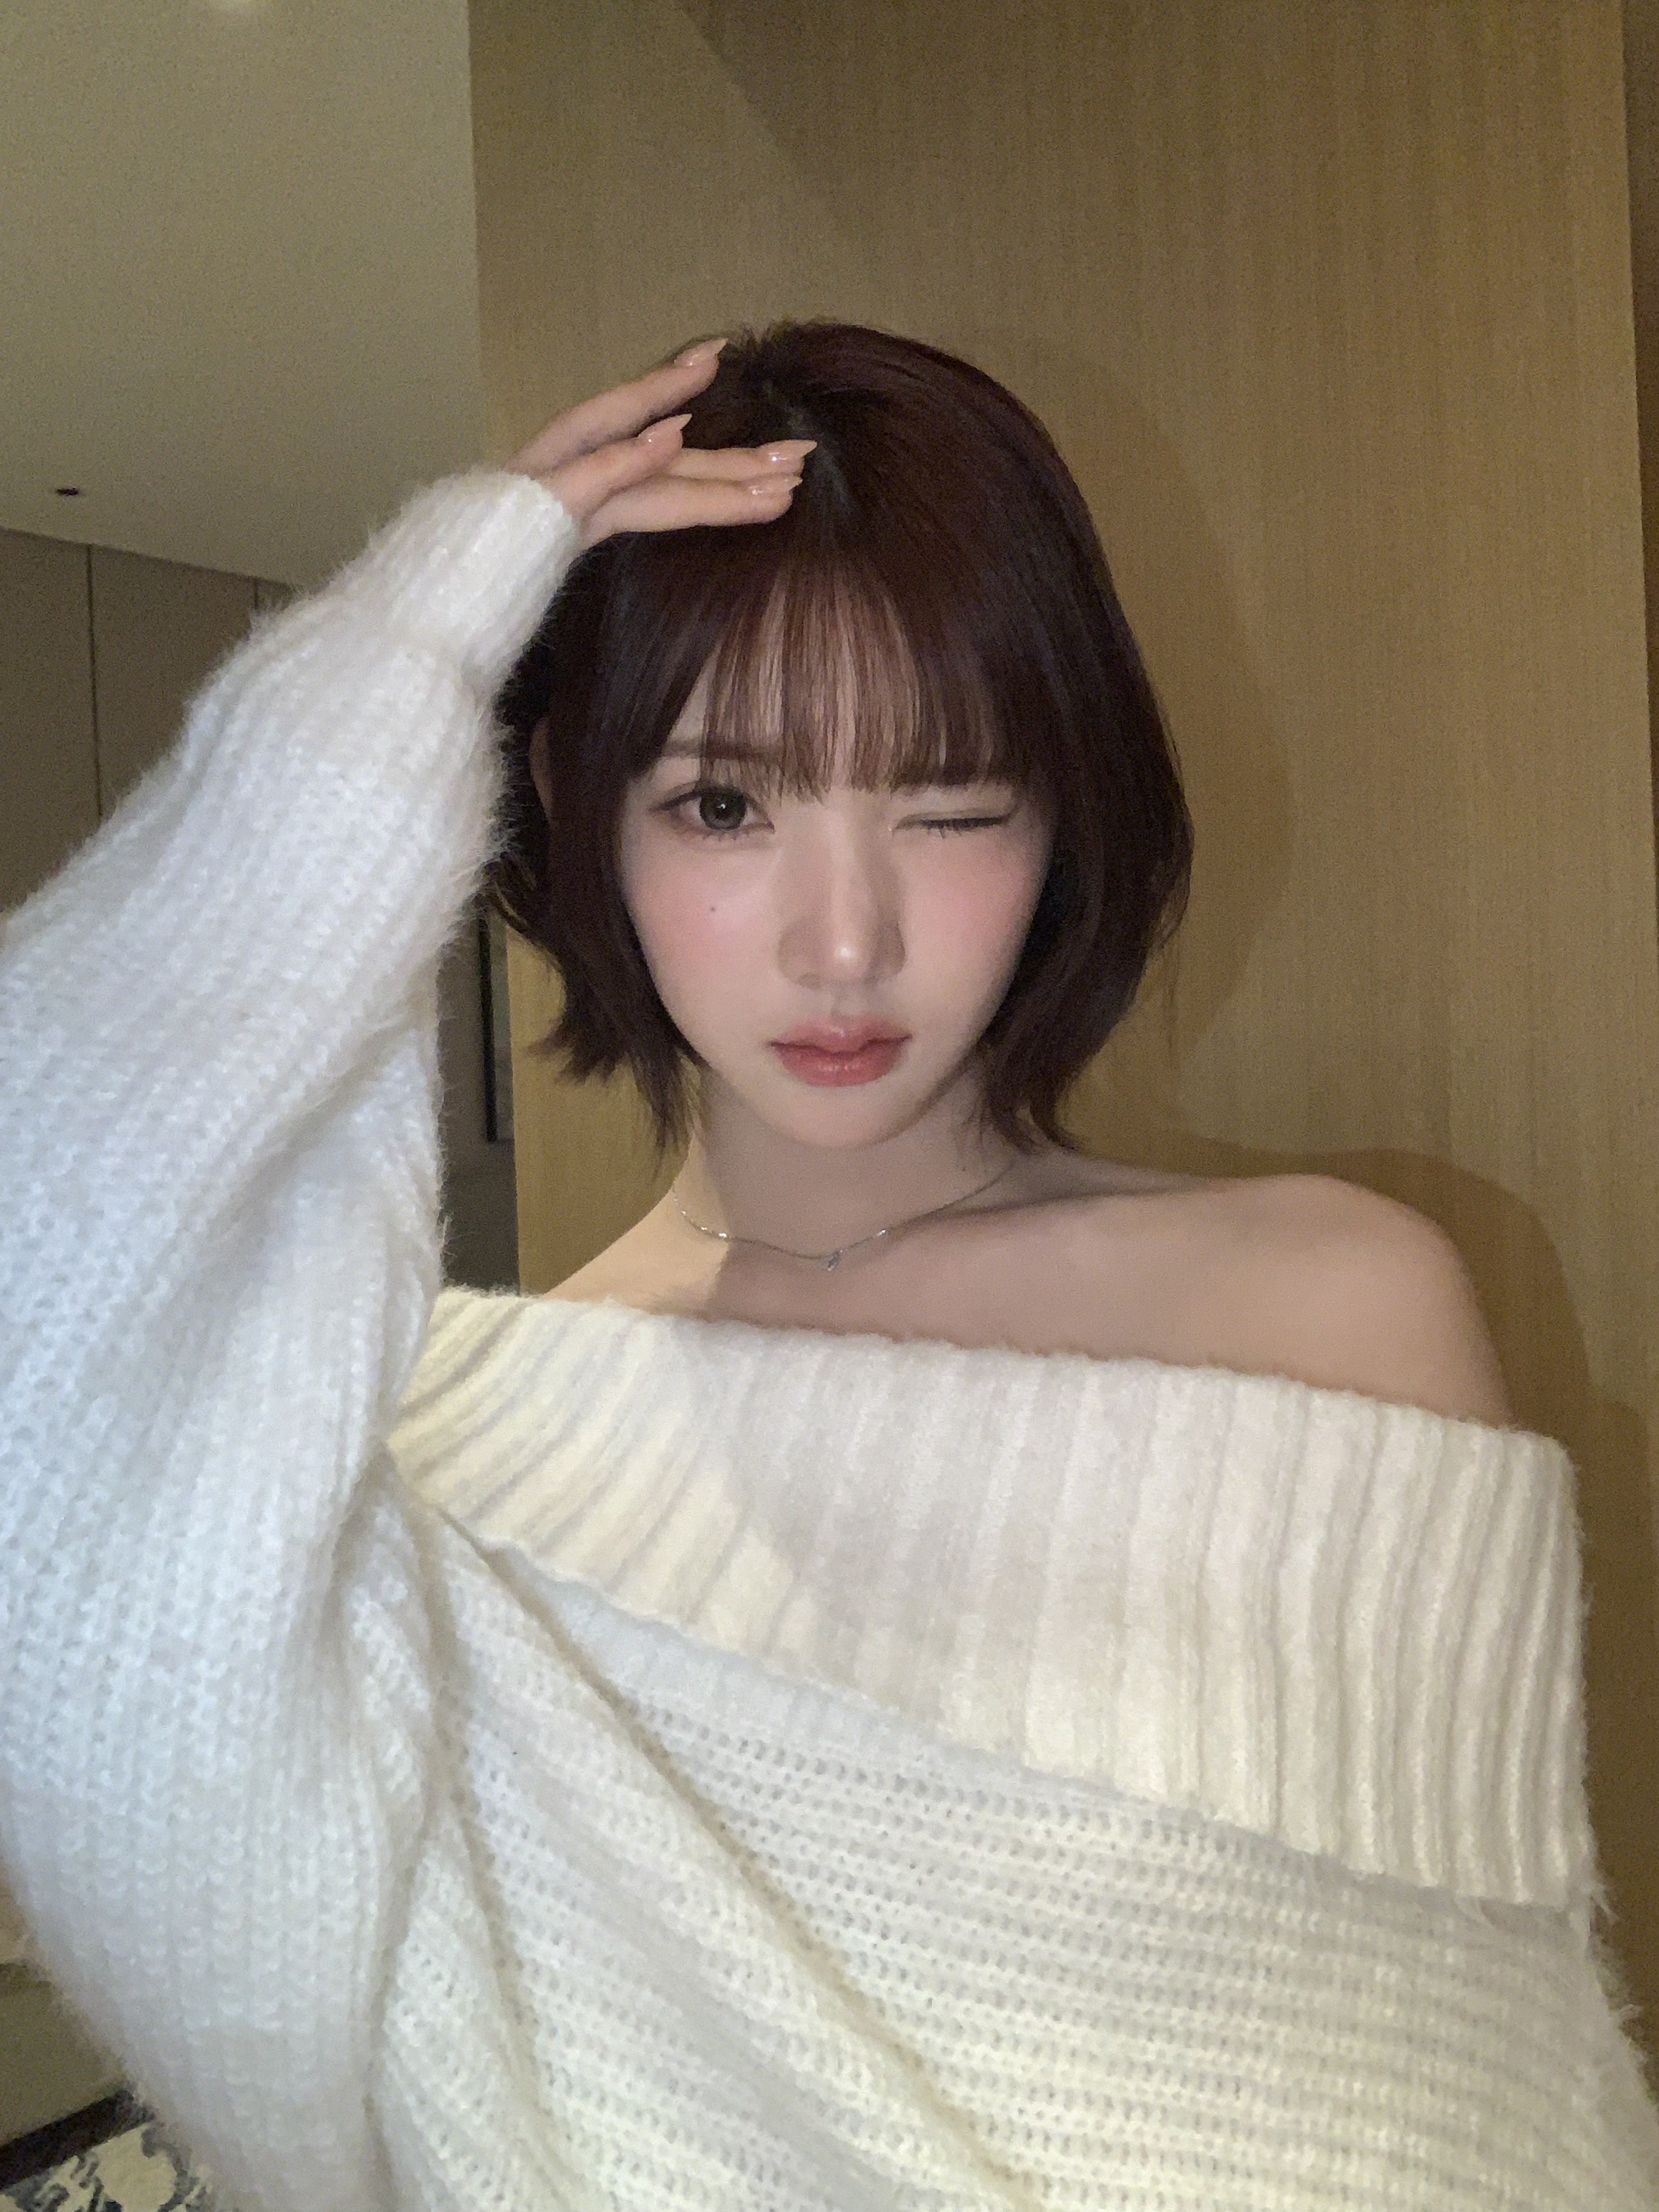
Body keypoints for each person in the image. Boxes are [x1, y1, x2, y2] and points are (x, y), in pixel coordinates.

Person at [0, 320, 1653, 2212]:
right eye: (723, 804)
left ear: (1065, 813)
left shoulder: (1329, 1309)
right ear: (569, 805)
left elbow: (1481, 2096)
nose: (843, 942)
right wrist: (396, 665)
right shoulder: (439, 1457)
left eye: (951, 804)